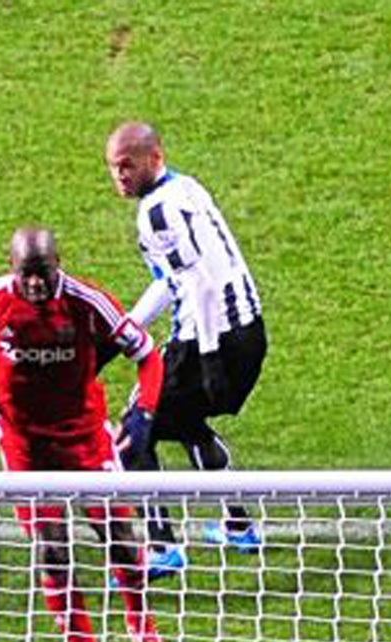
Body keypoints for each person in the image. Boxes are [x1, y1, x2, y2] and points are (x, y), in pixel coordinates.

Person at [0, 225, 168, 642]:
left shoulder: (88, 302)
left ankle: (141, 623)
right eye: (28, 276)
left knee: (120, 536)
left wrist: (145, 414)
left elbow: (147, 355)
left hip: (84, 438)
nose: (38, 284)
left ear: (58, 264)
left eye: (44, 273)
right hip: (24, 446)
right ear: (12, 270)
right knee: (51, 550)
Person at [104, 122, 267, 576]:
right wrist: (126, 330)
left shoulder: (157, 213)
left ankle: (163, 548)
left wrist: (210, 359)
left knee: (132, 434)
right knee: (182, 420)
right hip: (249, 333)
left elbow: (198, 288)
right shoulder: (186, 188)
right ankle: (237, 526)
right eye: (114, 169)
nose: (120, 176)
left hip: (208, 339)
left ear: (154, 158)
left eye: (127, 166)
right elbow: (172, 282)